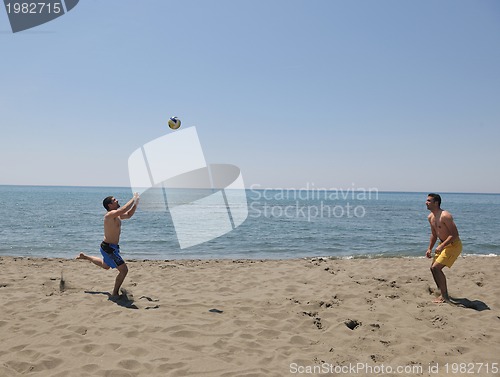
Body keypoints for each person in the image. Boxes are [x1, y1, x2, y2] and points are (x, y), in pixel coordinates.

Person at [77, 193, 140, 298]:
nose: (117, 200)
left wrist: (136, 204)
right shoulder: (109, 215)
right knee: (124, 270)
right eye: (115, 200)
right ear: (110, 205)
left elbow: (128, 215)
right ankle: (115, 293)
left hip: (111, 248)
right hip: (108, 248)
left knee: (105, 266)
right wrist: (133, 198)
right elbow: (123, 210)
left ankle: (85, 256)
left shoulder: (117, 216)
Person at [425, 193, 462, 303]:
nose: (426, 202)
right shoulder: (430, 217)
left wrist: (441, 246)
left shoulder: (445, 216)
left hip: (453, 245)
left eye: (429, 201)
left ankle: (444, 297)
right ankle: (441, 291)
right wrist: (429, 248)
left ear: (436, 203)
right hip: (443, 245)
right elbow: (434, 235)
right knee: (432, 268)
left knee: (437, 268)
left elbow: (454, 235)